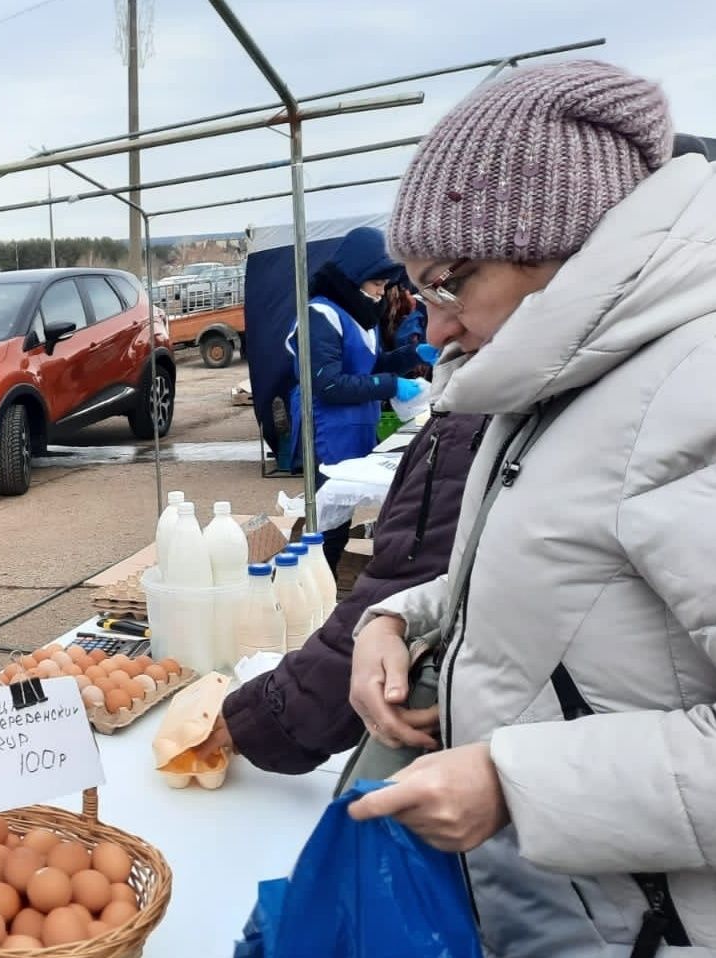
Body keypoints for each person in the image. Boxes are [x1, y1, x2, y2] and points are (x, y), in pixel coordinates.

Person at [344, 61, 716, 955]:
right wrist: (399, 618)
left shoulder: (695, 391)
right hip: (571, 909)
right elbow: (569, 574)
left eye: (446, 283)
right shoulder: (565, 378)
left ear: (559, 241)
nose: (430, 329)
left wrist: (518, 783)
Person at [195, 412, 486, 770]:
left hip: (476, 731)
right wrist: (391, 618)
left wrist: (263, 717)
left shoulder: (474, 418)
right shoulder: (490, 402)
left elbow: (410, 575)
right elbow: (461, 579)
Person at [283, 227, 434, 569]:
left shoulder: (361, 317)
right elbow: (329, 384)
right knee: (327, 527)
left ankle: (326, 588)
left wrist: (414, 354)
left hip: (356, 429)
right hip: (327, 431)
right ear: (355, 276)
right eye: (377, 284)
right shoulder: (320, 316)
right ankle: (316, 593)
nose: (381, 293)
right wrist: (390, 385)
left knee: (341, 517)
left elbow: (370, 364)